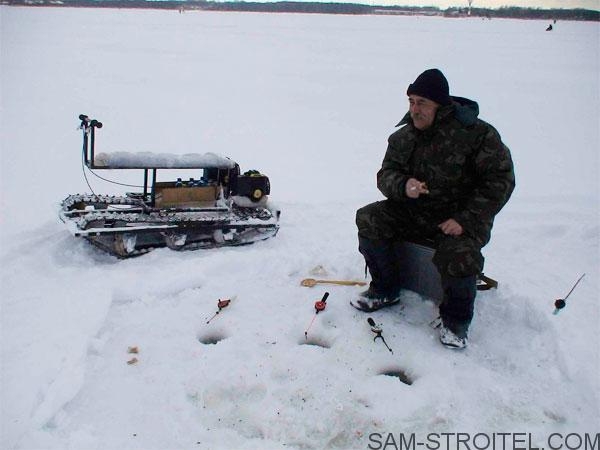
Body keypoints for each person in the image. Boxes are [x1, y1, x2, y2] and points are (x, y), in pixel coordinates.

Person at [351, 68, 515, 349]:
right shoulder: (403, 138)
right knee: (369, 218)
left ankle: (455, 322)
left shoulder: (477, 134)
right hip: (415, 213)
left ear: (440, 104)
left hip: (458, 221)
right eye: (411, 102)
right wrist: (404, 185)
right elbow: (385, 174)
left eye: (422, 103)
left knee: (460, 253)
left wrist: (465, 219)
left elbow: (501, 180)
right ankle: (385, 289)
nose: (415, 110)